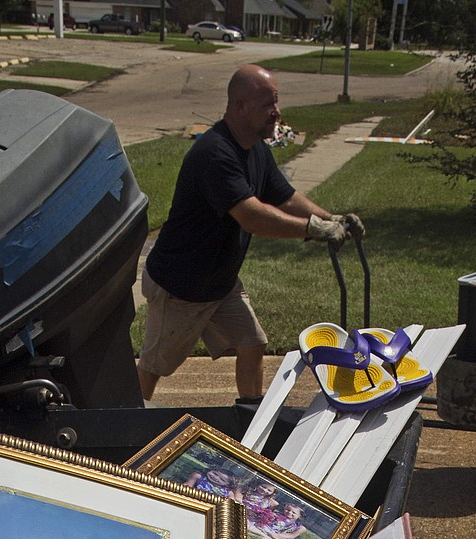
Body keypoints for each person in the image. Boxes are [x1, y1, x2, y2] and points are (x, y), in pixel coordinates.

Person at [136, 64, 364, 403]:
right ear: (240, 106)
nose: (277, 112)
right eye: (268, 104)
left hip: (219, 282)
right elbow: (252, 217)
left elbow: (285, 197)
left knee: (252, 342)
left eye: (276, 102)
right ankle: (123, 420)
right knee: (155, 364)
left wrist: (332, 218)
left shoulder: (256, 149)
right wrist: (313, 230)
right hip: (181, 286)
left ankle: (250, 416)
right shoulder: (215, 154)